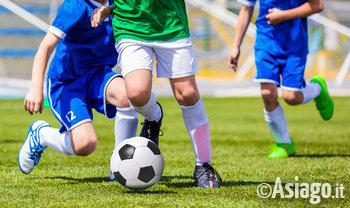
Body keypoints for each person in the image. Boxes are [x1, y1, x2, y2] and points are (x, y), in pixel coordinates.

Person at [91, 1, 221, 188]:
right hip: (131, 24)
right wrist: (109, 9)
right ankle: (154, 117)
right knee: (136, 93)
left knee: (187, 94)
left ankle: (203, 165)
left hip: (171, 23)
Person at [18, 0, 139, 178]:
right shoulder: (75, 6)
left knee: (128, 95)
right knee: (85, 145)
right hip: (68, 81)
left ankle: (120, 167)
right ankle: (42, 134)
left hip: (98, 73)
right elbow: (45, 47)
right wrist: (36, 87)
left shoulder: (119, 3)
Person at [228, 0, 334, 158]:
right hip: (266, 42)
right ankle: (284, 143)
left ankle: (317, 88)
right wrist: (236, 46)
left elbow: (317, 5)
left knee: (291, 97)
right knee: (267, 93)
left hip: (294, 46)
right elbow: (246, 9)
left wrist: (284, 15)